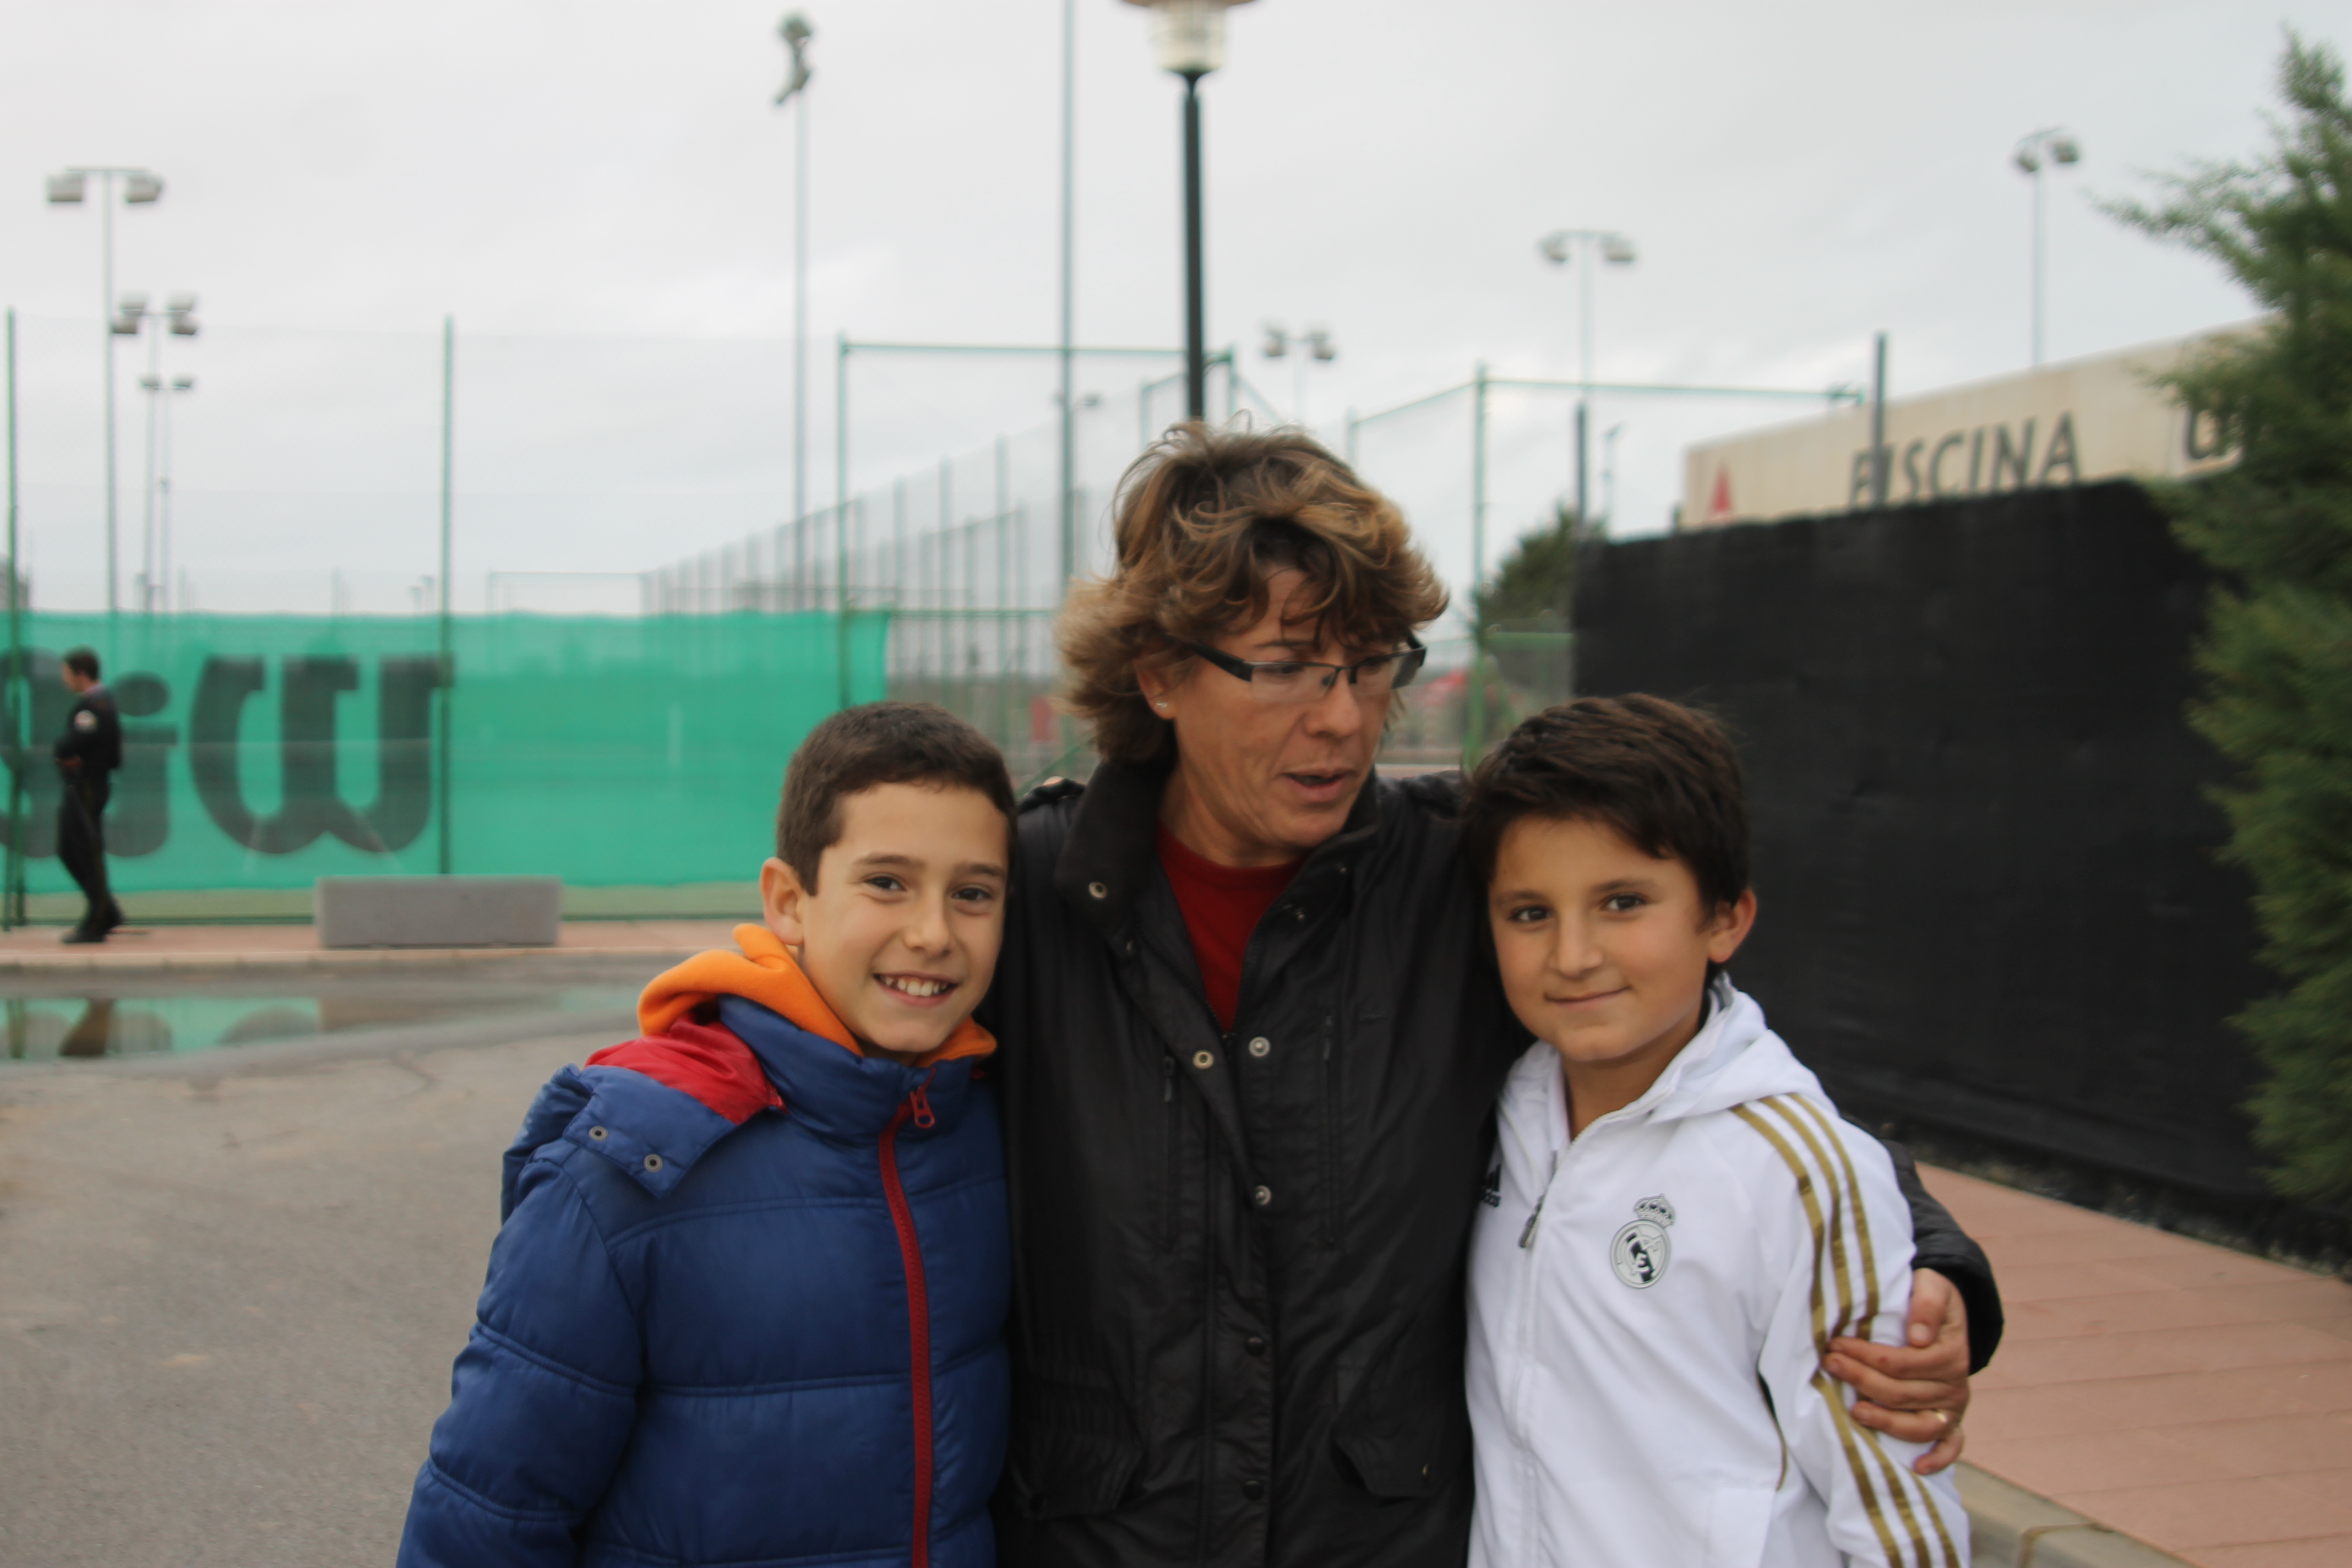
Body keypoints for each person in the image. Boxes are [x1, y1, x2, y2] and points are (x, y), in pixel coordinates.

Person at [982, 426, 1998, 1567]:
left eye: (1372, 663)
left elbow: (1723, 1080)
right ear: (1159, 671)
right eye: (1287, 665)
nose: (1344, 717)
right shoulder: (1020, 893)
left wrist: (1932, 1266)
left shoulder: (1465, 873)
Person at [398, 701, 1018, 1568]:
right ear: (789, 901)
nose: (933, 933)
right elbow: (489, 1516)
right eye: (887, 883)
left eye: (973, 894)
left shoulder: (993, 1125)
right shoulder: (628, 1161)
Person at [1460, 696, 1969, 1567]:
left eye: (1623, 902)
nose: (1573, 955)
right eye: (1530, 913)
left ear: (1726, 918)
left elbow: (1896, 1506)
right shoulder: (1498, 1109)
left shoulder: (1799, 1171)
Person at [55, 646, 123, 945]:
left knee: (84, 850)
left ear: (81, 675)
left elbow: (73, 744)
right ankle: (106, 909)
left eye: (67, 674)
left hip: (88, 786)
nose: (65, 680)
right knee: (72, 849)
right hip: (86, 784)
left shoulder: (94, 708)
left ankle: (99, 919)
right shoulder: (99, 704)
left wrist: (64, 753)